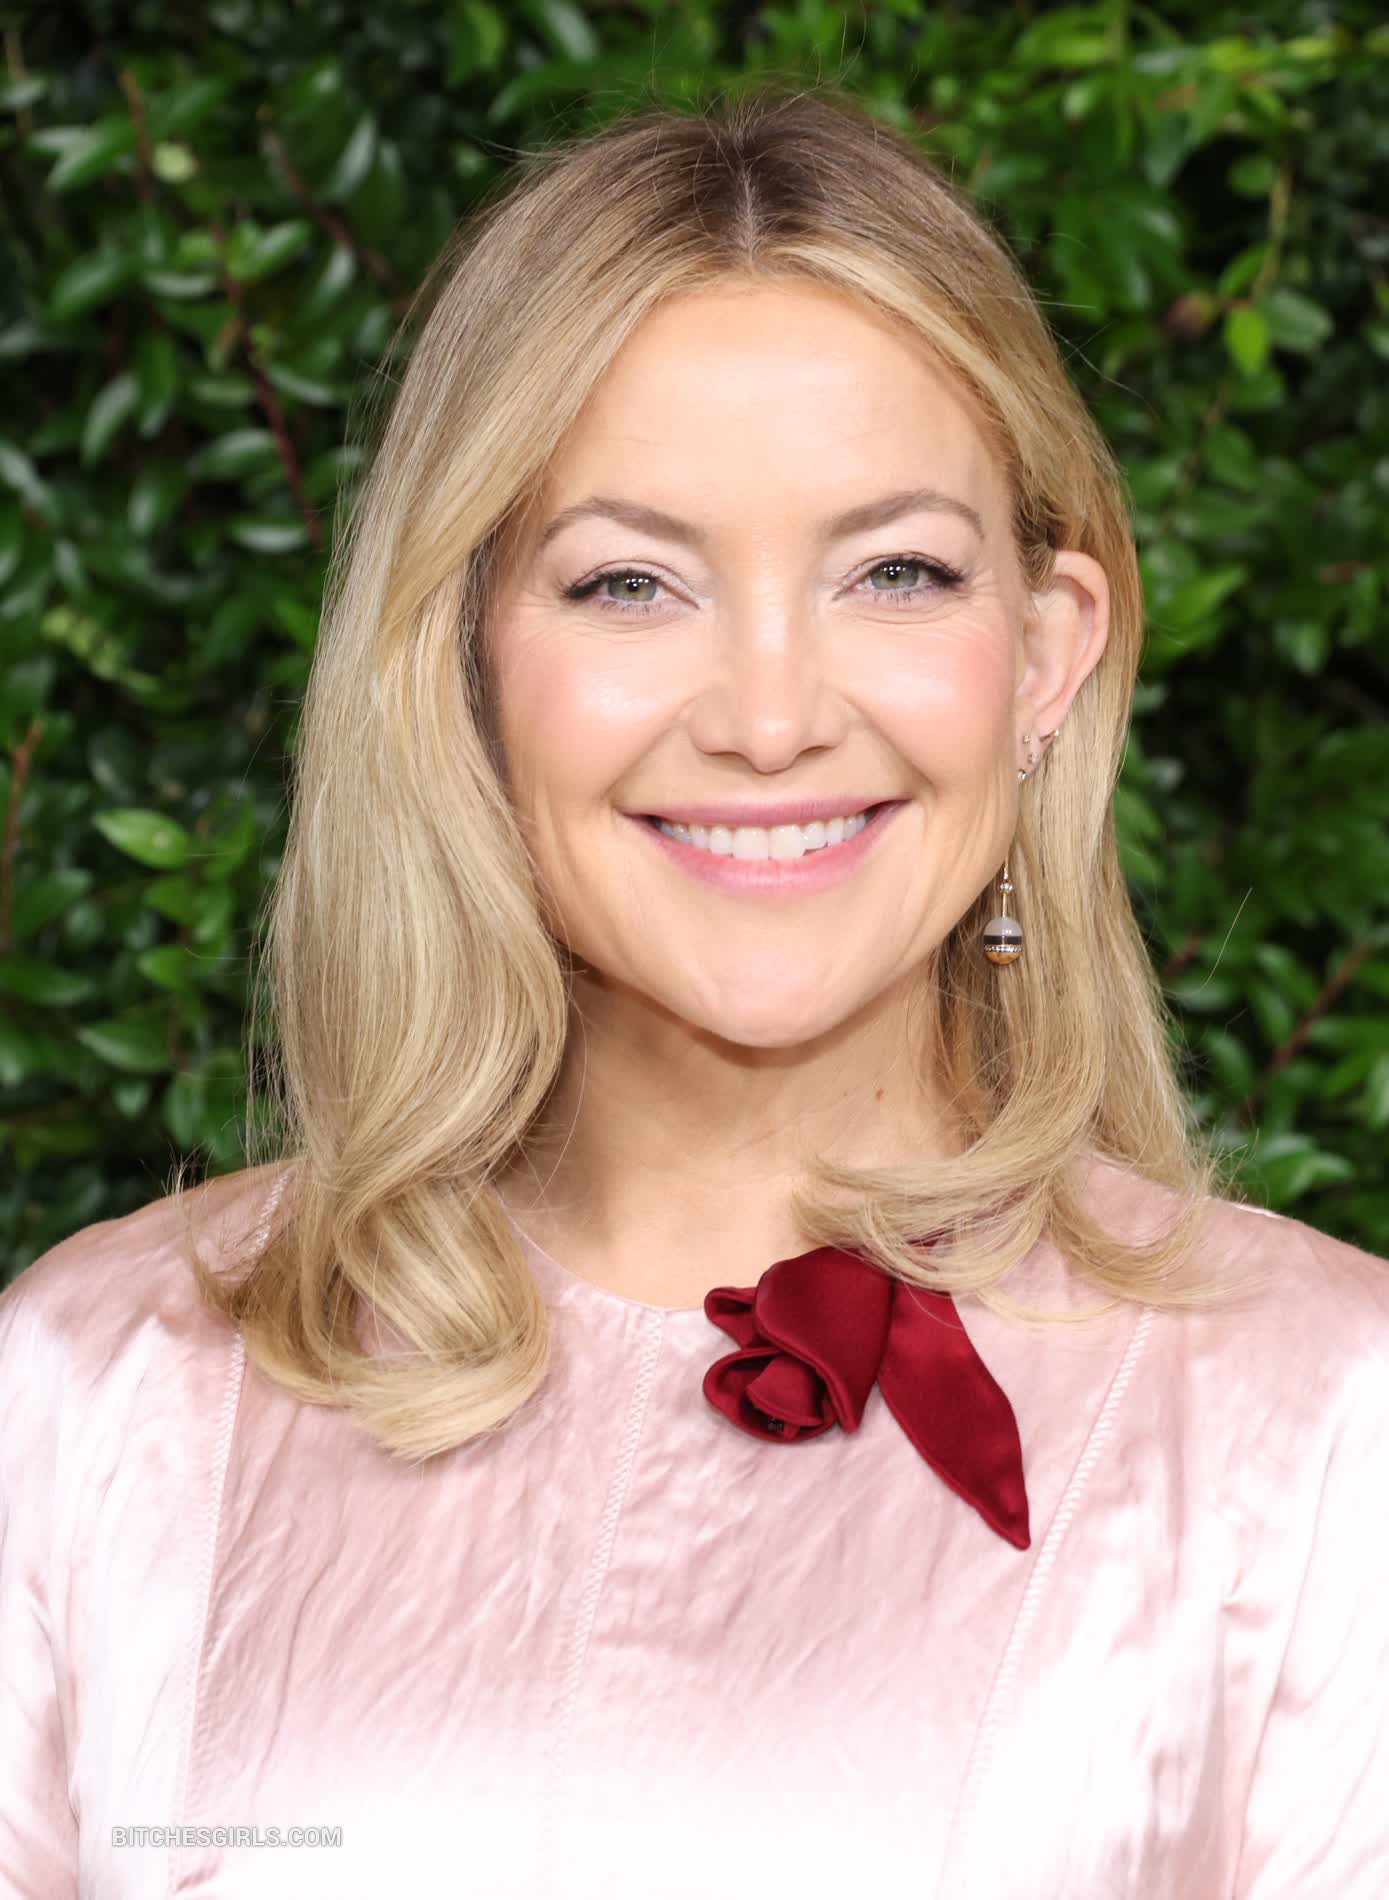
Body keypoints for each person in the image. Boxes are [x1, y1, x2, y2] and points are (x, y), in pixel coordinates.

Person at [2, 83, 1386, 1900]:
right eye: (630, 584)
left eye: (895, 572)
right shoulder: (102, 1395)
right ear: (464, 659)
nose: (767, 715)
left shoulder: (1323, 1428)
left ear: (1045, 655)